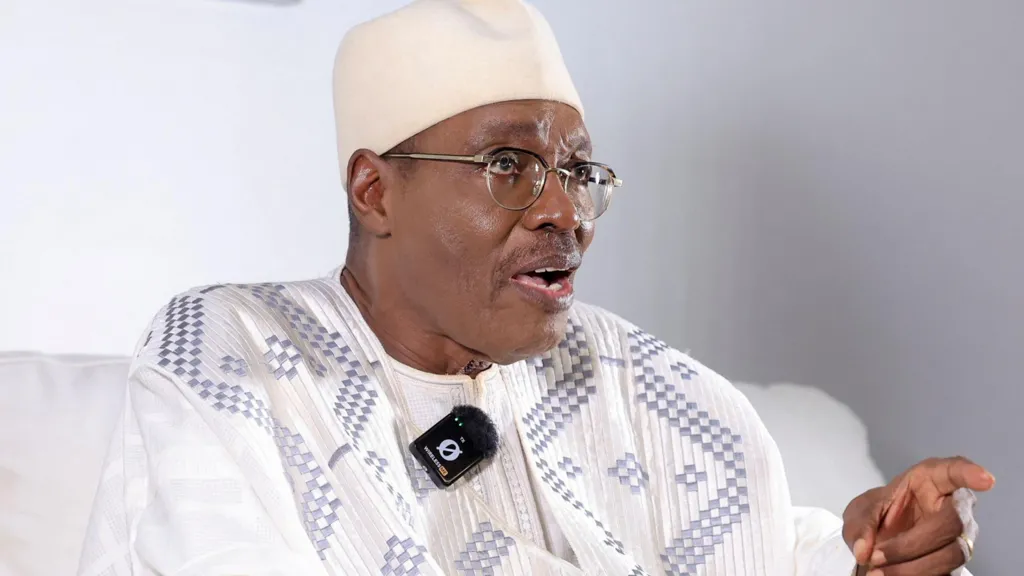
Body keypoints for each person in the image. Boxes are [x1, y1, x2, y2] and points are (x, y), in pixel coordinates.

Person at [78, 1, 993, 575]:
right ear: (375, 191)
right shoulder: (233, 352)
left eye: (579, 172)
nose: (566, 211)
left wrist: (866, 554)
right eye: (508, 165)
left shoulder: (634, 377)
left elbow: (751, 547)